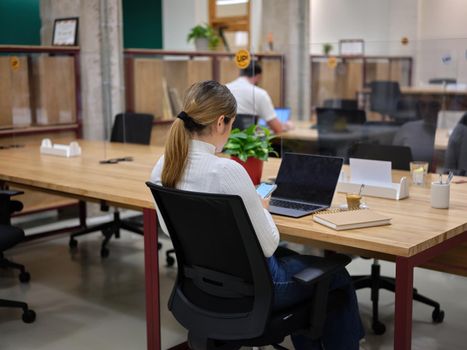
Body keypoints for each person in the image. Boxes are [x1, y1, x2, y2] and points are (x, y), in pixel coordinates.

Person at [150, 80, 364, 350]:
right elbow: (268, 245)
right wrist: (261, 208)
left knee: (299, 263)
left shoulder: (163, 167)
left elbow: (171, 230)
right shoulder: (226, 171)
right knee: (337, 278)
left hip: (202, 286)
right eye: (231, 126)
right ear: (220, 123)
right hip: (256, 289)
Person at [226, 61, 292, 133]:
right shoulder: (259, 93)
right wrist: (287, 126)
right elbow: (277, 128)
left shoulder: (223, 89)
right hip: (248, 143)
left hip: (224, 142)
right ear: (258, 76)